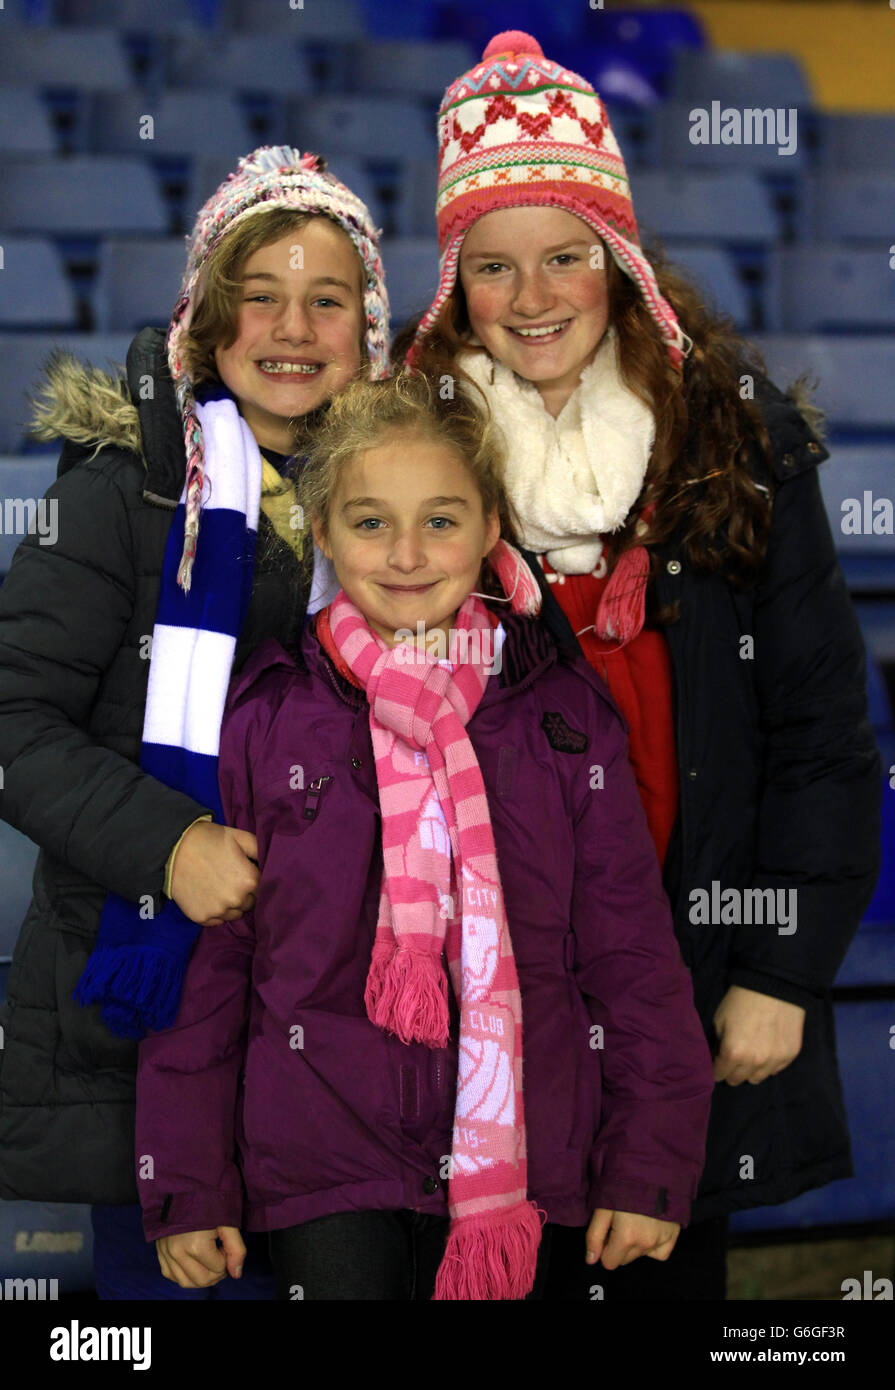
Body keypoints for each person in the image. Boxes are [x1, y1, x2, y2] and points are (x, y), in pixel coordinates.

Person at [402, 31, 882, 1300]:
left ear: (617, 260)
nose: (537, 294)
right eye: (496, 268)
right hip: (488, 1001)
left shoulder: (730, 431)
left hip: (697, 966)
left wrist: (779, 967)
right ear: (457, 285)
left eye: (566, 255)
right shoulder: (409, 457)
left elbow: (823, 728)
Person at [134, 370, 715, 1301]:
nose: (406, 554)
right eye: (369, 523)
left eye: (441, 521)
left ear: (491, 531)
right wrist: (187, 1184)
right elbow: (212, 968)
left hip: (529, 1154)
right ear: (321, 532)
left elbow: (629, 951)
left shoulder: (561, 714)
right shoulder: (267, 714)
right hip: (323, 1161)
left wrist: (650, 1162)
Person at [0, 146, 396, 1300]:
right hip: (150, 1022)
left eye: (326, 298)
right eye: (257, 296)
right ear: (206, 321)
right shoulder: (127, 496)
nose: (291, 325)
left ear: (368, 328)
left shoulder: (401, 504)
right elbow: (12, 714)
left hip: (345, 1022)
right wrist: (166, 844)